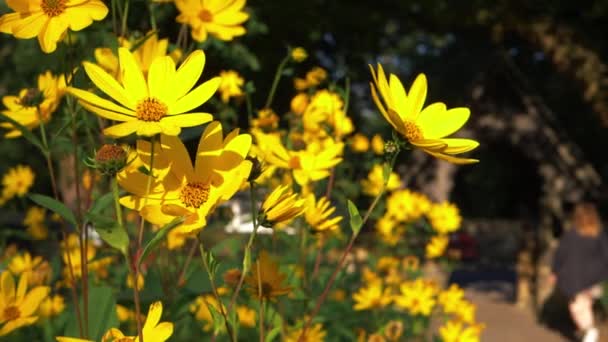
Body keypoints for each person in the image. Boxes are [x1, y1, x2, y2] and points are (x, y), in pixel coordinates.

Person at [551, 202, 608, 342]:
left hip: (577, 280)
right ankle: (589, 331)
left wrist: (555, 271)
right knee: (585, 305)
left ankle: (589, 330)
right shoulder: (599, 235)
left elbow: (560, 255)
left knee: (577, 307)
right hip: (596, 279)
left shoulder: (571, 235)